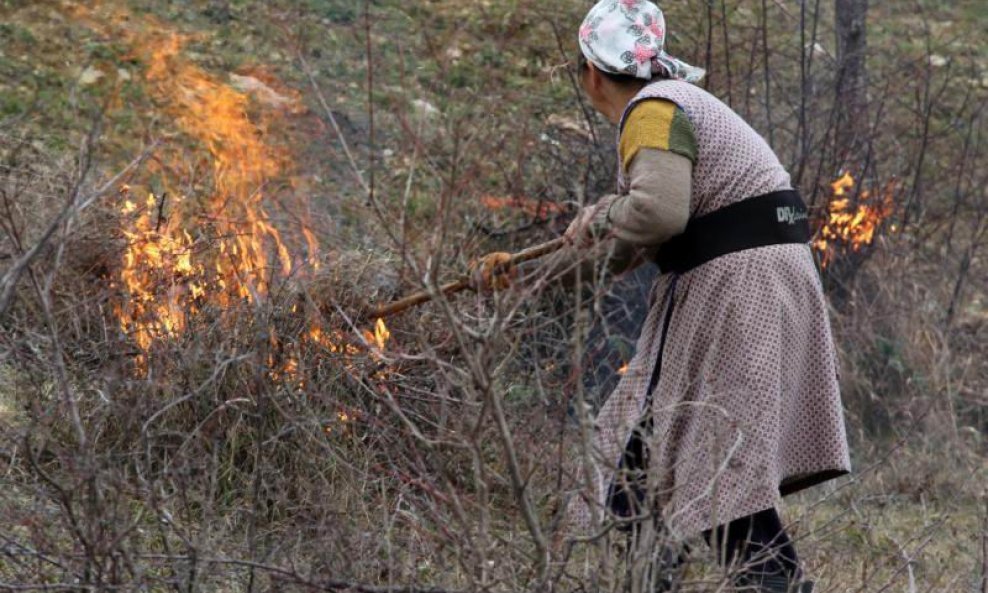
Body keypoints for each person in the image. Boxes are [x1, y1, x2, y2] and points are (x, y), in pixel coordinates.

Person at [473, 1, 851, 591]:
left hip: (736, 285)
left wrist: (598, 217)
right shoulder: (676, 106)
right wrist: (529, 278)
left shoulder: (651, 111)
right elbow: (629, 245)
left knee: (689, 463)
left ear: (591, 72)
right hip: (756, 280)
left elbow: (655, 214)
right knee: (671, 463)